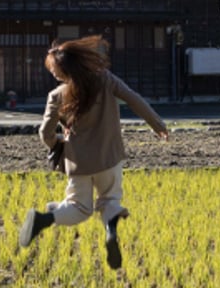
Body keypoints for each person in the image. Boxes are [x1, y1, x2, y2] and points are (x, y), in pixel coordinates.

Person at [20, 35, 169, 269]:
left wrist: (57, 143)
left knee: (78, 208)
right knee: (110, 199)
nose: (54, 75)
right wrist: (157, 124)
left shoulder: (56, 96)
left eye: (54, 71)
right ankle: (110, 230)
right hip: (109, 157)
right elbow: (134, 100)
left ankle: (44, 219)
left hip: (78, 162)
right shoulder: (105, 79)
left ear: (64, 71)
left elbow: (44, 133)